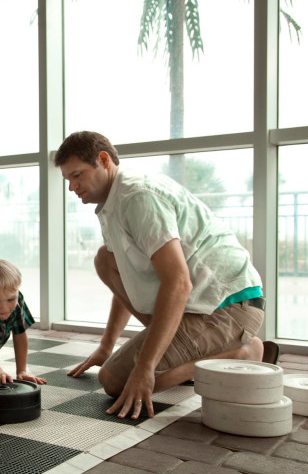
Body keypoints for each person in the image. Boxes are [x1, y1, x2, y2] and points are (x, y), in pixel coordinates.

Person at [55, 131, 266, 420]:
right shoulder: (112, 205)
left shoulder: (138, 196)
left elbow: (178, 282)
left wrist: (144, 367)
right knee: (105, 260)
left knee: (114, 382)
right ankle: (178, 351)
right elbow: (129, 275)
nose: (72, 187)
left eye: (77, 175)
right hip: (199, 305)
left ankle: (243, 353)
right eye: (68, 179)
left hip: (228, 307)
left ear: (103, 160)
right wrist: (106, 346)